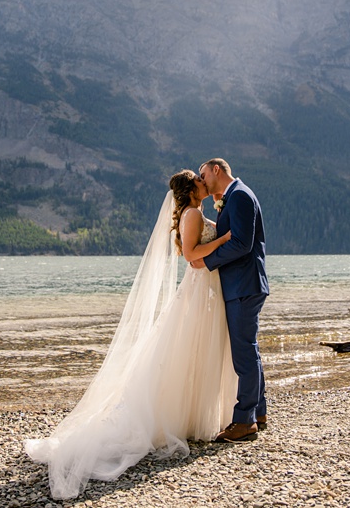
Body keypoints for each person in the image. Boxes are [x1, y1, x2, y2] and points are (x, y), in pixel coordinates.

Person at [24, 170, 237, 499]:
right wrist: (225, 239)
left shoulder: (196, 212)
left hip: (204, 290)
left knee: (192, 352)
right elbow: (193, 256)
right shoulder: (193, 214)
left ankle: (194, 418)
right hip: (198, 293)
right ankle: (185, 420)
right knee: (191, 350)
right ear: (191, 188)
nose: (202, 180)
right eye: (198, 178)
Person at [197, 158, 270, 442]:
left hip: (243, 284)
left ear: (217, 170)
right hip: (244, 284)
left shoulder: (239, 195)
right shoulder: (235, 196)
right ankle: (258, 411)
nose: (202, 180)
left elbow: (242, 243)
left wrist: (206, 261)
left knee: (244, 352)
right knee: (248, 349)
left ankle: (244, 420)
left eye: (203, 174)